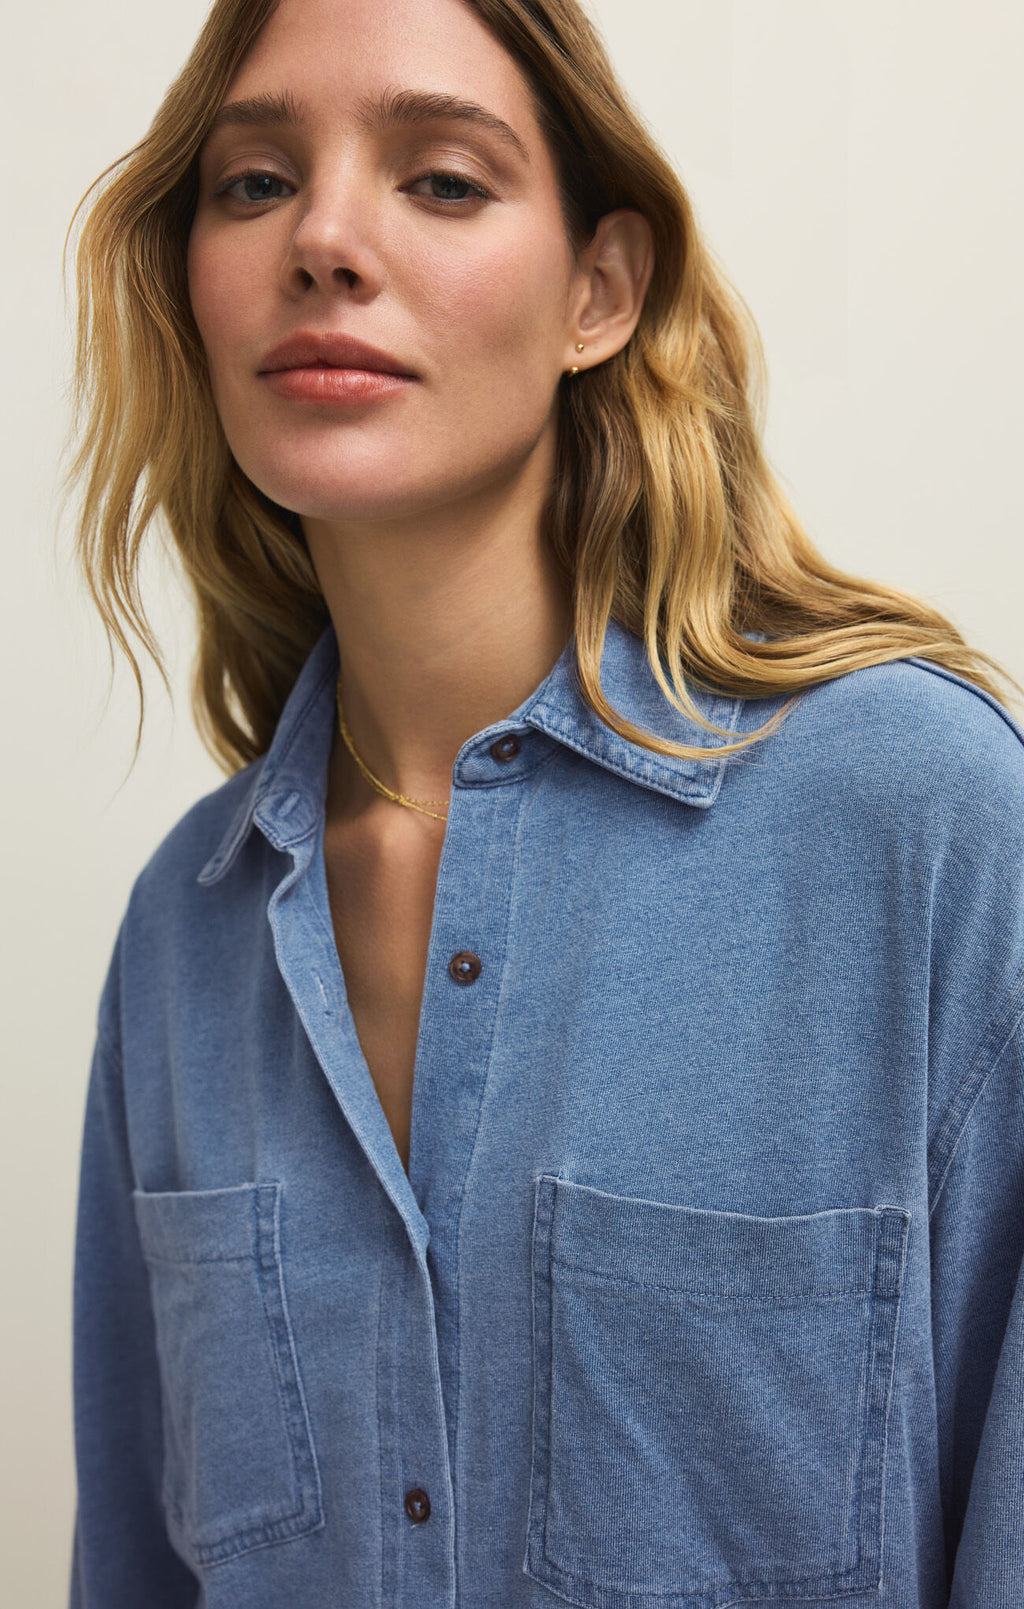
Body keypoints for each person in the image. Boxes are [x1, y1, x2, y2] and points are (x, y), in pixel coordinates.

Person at [64, 0, 1024, 1604]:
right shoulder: (185, 933)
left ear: (602, 290)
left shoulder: (927, 827)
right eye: (254, 183)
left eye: (442, 179)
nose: (323, 239)